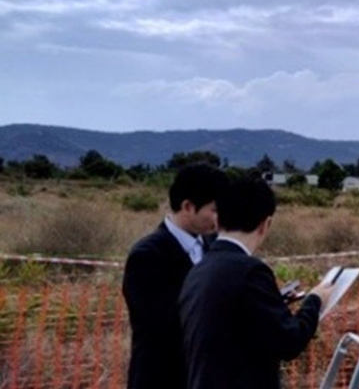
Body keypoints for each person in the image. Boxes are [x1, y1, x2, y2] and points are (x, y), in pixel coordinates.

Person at [178, 175, 334, 389]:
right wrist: (315, 301)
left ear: (217, 219)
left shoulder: (199, 269)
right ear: (265, 223)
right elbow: (288, 341)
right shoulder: (250, 271)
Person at [122, 163, 229, 389]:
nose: (220, 219)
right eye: (215, 210)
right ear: (188, 206)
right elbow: (160, 326)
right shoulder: (147, 256)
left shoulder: (214, 245)